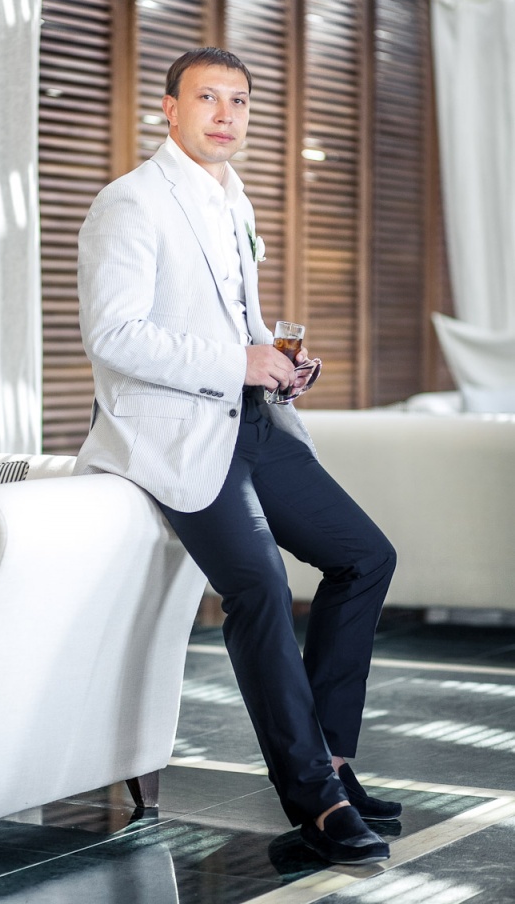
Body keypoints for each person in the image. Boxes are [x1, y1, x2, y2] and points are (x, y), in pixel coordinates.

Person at [75, 47, 399, 866]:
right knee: (259, 587)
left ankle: (333, 761)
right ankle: (315, 801)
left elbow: (236, 321)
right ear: (169, 108)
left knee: (365, 557)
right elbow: (113, 336)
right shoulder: (129, 203)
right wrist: (237, 362)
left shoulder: (233, 196)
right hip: (174, 434)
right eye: (207, 98)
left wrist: (278, 363)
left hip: (252, 422)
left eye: (240, 101)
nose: (226, 114)